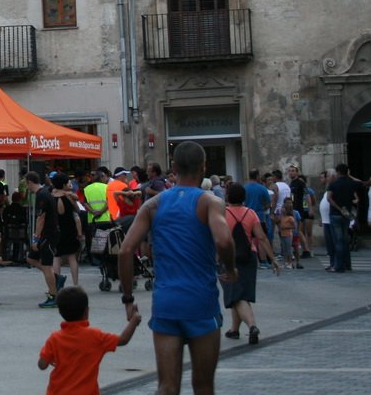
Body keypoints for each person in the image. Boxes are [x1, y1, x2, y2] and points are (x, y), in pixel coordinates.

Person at [118, 141, 235, 395]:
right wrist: (231, 268)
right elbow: (224, 240)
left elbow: (126, 250)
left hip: (166, 303)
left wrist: (128, 298)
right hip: (201, 302)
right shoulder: (210, 202)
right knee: (203, 386)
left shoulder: (153, 205)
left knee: (167, 386)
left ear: (173, 167)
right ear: (203, 167)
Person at [37, 286, 139, 395]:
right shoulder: (96, 337)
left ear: (60, 312)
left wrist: (50, 359)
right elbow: (123, 340)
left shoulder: (55, 338)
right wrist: (134, 320)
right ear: (86, 311)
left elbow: (42, 365)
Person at [221, 182, 279, 346]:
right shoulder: (251, 213)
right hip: (249, 256)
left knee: (237, 295)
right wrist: (273, 259)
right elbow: (261, 237)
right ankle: (234, 329)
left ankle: (252, 326)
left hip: (229, 256)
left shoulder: (223, 213)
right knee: (239, 293)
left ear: (227, 196)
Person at [25, 171, 63, 308]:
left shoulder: (42, 195)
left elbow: (41, 218)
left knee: (47, 266)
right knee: (31, 258)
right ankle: (56, 278)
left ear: (30, 182)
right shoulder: (45, 192)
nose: (26, 187)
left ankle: (53, 296)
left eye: (26, 184)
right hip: (48, 233)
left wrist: (36, 238)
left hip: (48, 234)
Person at [49, 172, 83, 290]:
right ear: (63, 185)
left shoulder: (50, 196)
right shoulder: (69, 196)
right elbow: (77, 210)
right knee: (72, 257)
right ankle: (75, 284)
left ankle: (56, 284)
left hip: (55, 229)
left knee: (56, 257)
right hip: (69, 229)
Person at [325, 163, 359, 273]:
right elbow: (362, 183)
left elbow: (329, 198)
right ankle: (346, 264)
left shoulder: (334, 184)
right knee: (344, 240)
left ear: (338, 172)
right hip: (345, 215)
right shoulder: (350, 183)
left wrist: (339, 209)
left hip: (336, 214)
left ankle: (338, 266)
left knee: (338, 241)